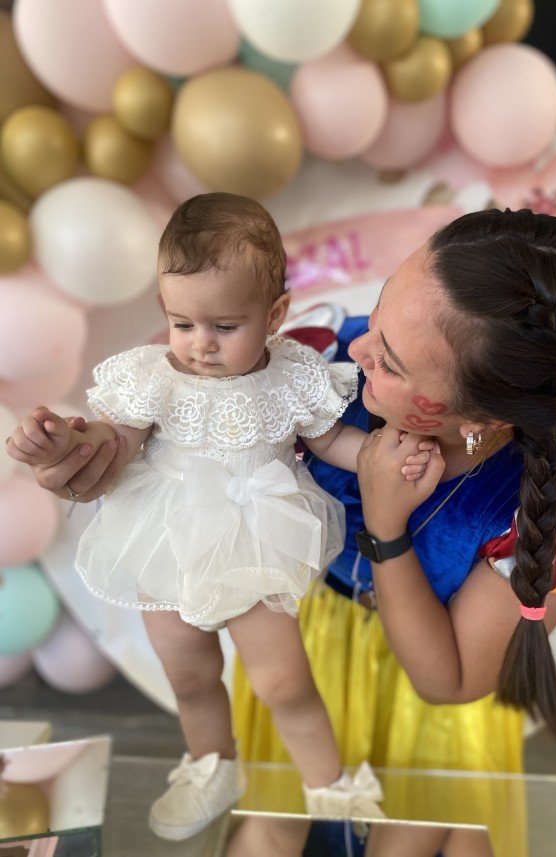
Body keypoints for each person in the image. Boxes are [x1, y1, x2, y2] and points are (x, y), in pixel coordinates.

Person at [12, 208, 556, 857]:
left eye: (388, 360)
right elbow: (145, 449)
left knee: (429, 837)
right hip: (305, 636)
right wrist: (77, 466)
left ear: (480, 416)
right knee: (274, 825)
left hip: (428, 699)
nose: (360, 350)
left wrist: (386, 521)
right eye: (380, 312)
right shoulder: (320, 358)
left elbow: (447, 681)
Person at [6, 193, 433, 843]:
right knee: (187, 669)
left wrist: (379, 455)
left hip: (255, 536)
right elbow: (112, 442)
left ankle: (329, 785)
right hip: (166, 534)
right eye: (182, 323)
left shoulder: (292, 375)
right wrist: (67, 442)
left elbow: (327, 443)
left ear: (275, 315)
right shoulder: (153, 376)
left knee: (282, 678)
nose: (199, 345)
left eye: (223, 327)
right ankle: (210, 764)